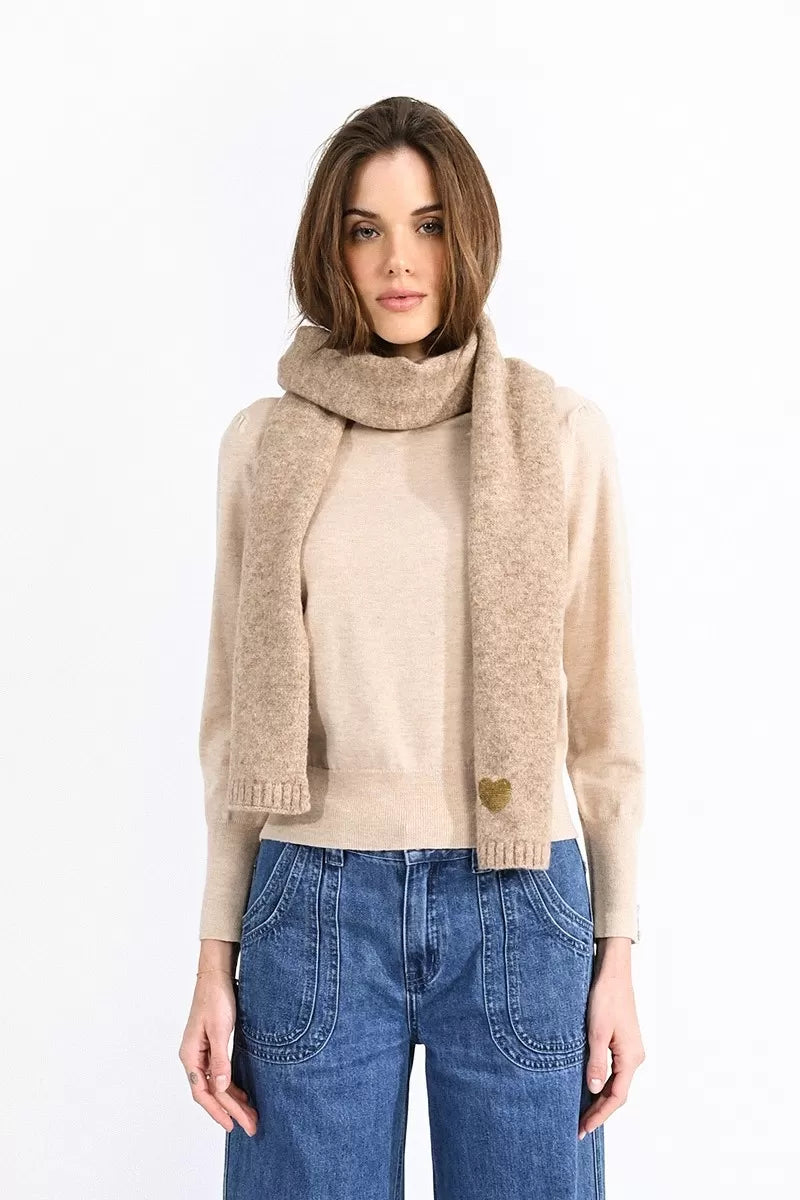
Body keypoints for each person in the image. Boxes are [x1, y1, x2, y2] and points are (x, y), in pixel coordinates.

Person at [179, 95, 646, 1199]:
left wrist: (618, 950)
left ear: (467, 235)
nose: (399, 260)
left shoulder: (556, 434)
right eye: (367, 229)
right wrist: (213, 954)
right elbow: (235, 719)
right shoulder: (264, 445)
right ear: (330, 248)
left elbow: (604, 719)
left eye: (428, 225)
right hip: (310, 903)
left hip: (521, 897)